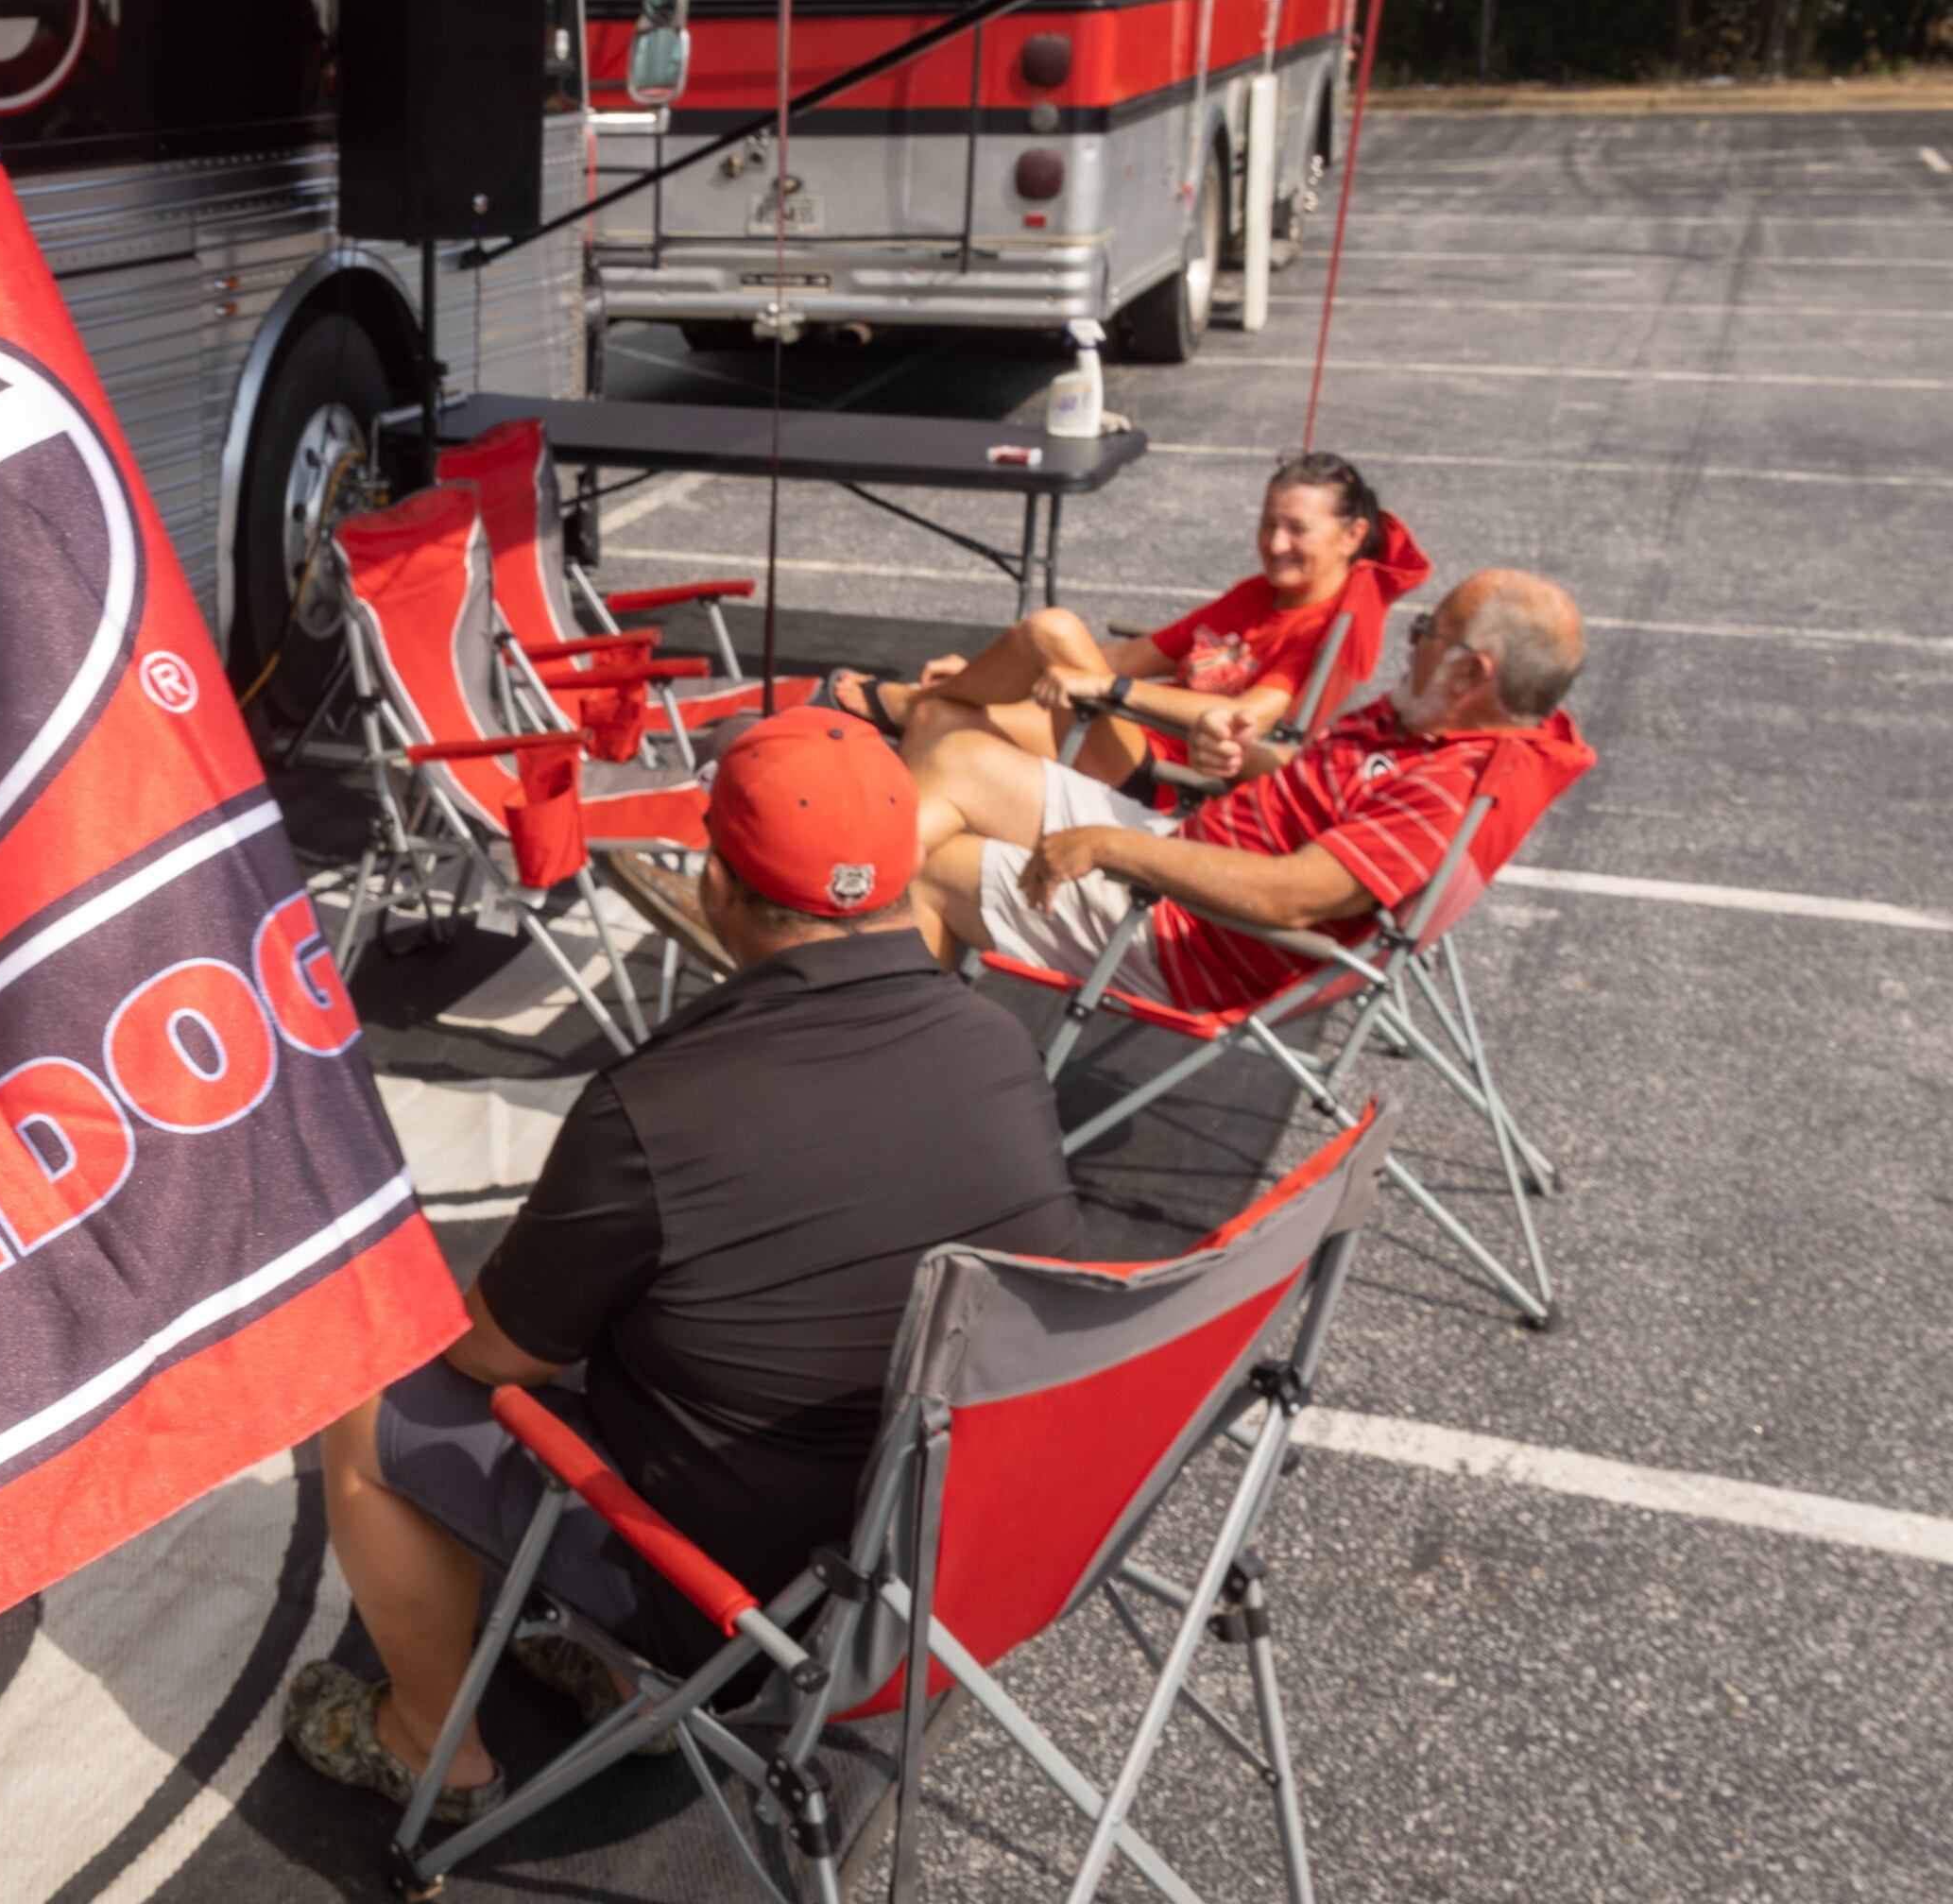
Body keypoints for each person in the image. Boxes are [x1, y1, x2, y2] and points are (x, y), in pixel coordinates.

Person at [284, 712, 1083, 1827]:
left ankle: (434, 1751)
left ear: (717, 881)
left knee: (374, 1402)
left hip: (731, 1598)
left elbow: (496, 1352)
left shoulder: (655, 1104)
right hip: (938, 1560)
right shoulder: (1001, 1044)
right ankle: (612, 1672)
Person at [906, 569, 1593, 1014]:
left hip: (1191, 937)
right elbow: (1314, 783)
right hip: (1178, 856)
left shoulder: (1451, 787)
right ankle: (858, 962)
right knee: (957, 757)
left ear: (1471, 673)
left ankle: (879, 1057)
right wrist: (1242, 759)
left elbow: (1289, 896)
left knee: (930, 872)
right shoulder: (1425, 723)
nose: (1409, 643)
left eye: (1425, 633)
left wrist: (1109, 847)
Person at [826, 453, 1429, 793]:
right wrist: (991, 675)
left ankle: (905, 706)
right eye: (1269, 523)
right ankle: (895, 865)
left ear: (1352, 536)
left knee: (1052, 630)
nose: (1274, 543)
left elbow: (1246, 717)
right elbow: (1131, 657)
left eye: (1296, 529)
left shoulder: (1333, 629)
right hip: (1125, 729)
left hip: (1173, 775)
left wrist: (1107, 691)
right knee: (942, 715)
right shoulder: (1257, 594)